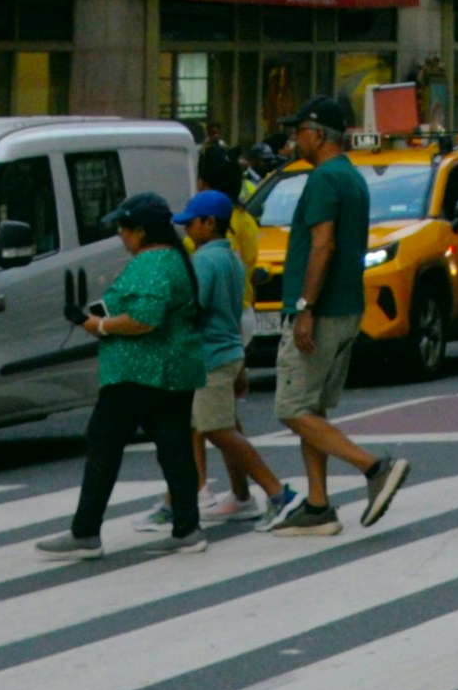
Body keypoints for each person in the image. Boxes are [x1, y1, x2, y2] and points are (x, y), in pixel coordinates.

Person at [268, 97, 411, 533]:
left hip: (323, 309)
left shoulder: (324, 180)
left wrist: (305, 307)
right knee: (313, 408)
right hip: (347, 308)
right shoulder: (351, 176)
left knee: (291, 409)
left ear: (318, 134)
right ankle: (318, 505)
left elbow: (323, 245)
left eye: (300, 131)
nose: (294, 139)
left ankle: (373, 467)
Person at [39, 195, 207, 562]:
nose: (120, 236)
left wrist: (97, 324)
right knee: (174, 447)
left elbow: (145, 317)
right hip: (174, 369)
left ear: (141, 231)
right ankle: (187, 527)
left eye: (123, 228)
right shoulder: (176, 259)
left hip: (139, 370)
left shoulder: (151, 262)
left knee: (103, 442)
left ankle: (85, 531)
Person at [177, 190, 293, 532]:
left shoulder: (204, 262)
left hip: (208, 354)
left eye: (192, 223)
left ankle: (278, 494)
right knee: (224, 425)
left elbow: (193, 308)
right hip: (230, 349)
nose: (187, 230)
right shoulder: (231, 259)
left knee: (216, 428)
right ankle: (242, 495)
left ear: (209, 223)